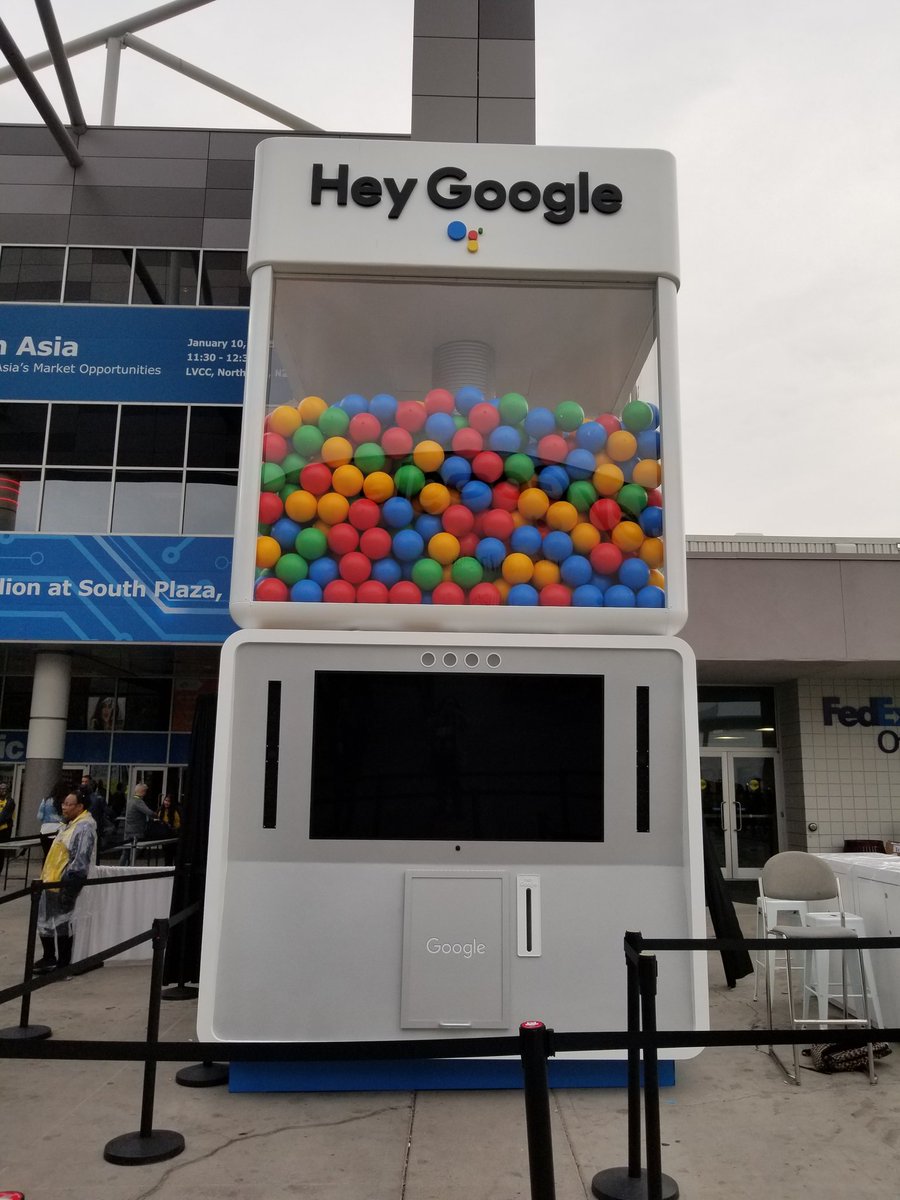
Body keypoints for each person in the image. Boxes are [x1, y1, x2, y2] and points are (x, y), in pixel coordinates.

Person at [32, 789, 97, 975]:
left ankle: (63, 963)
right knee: (47, 921)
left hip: (63, 883)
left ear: (80, 807)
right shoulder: (68, 825)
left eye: (69, 804)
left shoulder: (83, 827)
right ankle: (49, 957)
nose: (64, 807)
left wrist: (69, 888)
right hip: (51, 881)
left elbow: (80, 862)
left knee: (63, 923)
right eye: (64, 803)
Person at [119, 781, 155, 865]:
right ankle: (130, 868)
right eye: (145, 792)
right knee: (135, 852)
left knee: (125, 852)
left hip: (128, 830)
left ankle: (120, 868)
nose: (146, 794)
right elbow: (149, 812)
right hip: (136, 831)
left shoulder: (130, 800)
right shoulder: (138, 802)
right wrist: (157, 815)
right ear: (143, 792)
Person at [36, 780, 69, 858]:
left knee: (46, 856)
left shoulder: (45, 800)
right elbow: (66, 817)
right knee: (56, 857)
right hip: (59, 830)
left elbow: (39, 816)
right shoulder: (65, 801)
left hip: (44, 830)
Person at [156, 792, 182, 865]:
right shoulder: (161, 810)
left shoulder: (177, 810)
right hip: (165, 835)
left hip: (175, 835)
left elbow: (179, 823)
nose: (166, 803)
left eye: (168, 801)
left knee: (175, 855)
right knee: (167, 857)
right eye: (165, 800)